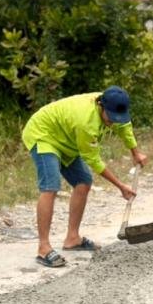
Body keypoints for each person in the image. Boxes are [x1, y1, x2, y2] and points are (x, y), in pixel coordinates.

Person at [21, 86, 146, 268]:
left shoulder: (113, 107)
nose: (113, 122)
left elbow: (124, 127)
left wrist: (135, 152)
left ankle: (73, 238)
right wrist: (121, 186)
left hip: (66, 140)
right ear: (101, 106)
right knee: (50, 186)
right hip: (44, 135)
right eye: (111, 117)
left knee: (83, 182)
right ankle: (43, 248)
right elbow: (94, 160)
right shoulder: (85, 122)